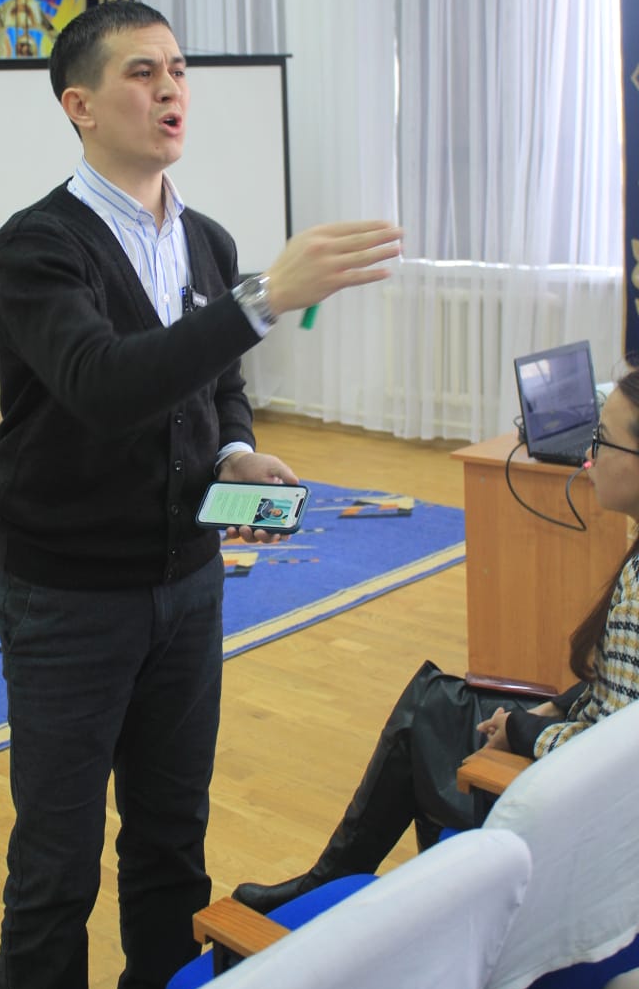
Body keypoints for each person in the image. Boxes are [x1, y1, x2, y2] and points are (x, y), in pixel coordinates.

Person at [0, 0, 403, 989]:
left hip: (189, 585)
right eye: (142, 72)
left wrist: (236, 451)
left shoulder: (205, 239)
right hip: (69, 601)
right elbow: (104, 386)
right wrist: (265, 298)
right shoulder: (37, 247)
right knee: (55, 866)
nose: (170, 87)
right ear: (80, 106)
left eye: (177, 69)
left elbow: (216, 387)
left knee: (173, 843)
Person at [232, 361, 639, 916]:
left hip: (580, 801)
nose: (588, 455)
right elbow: (620, 693)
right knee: (431, 703)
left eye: (602, 440)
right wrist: (553, 705)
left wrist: (522, 731)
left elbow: (612, 754)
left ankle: (346, 889)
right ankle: (342, 882)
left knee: (425, 715)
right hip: (575, 734)